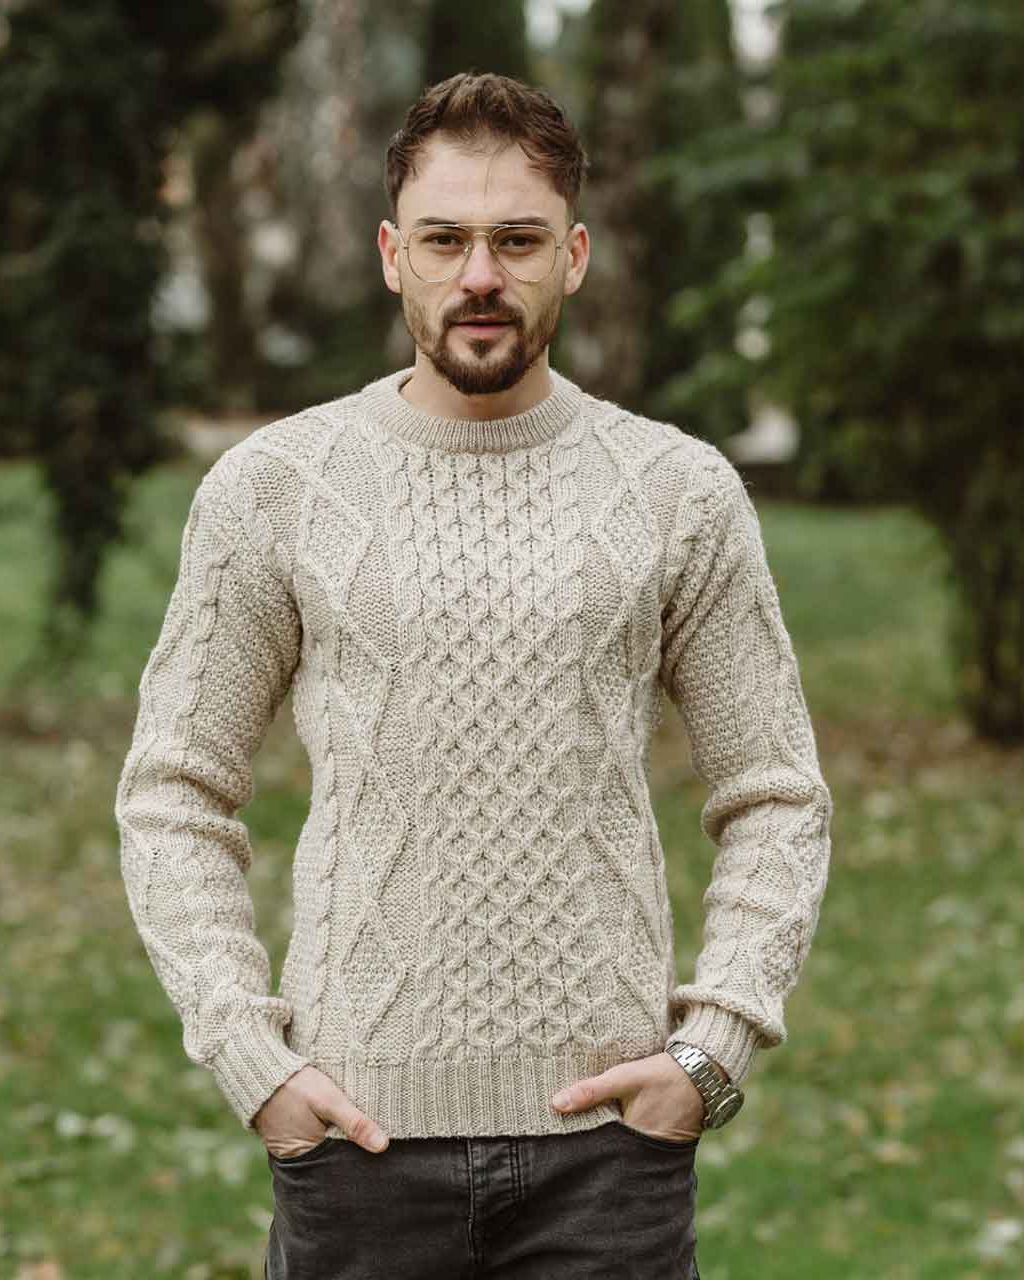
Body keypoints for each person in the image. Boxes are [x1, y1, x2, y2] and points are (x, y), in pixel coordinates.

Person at [115, 71, 832, 1280]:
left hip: (609, 1159)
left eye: (518, 240)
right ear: (394, 254)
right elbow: (174, 791)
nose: (480, 275)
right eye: (445, 240)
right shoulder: (274, 488)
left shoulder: (677, 490)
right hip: (353, 1144)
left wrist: (711, 1051)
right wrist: (250, 1054)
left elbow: (775, 791)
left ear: (576, 255)